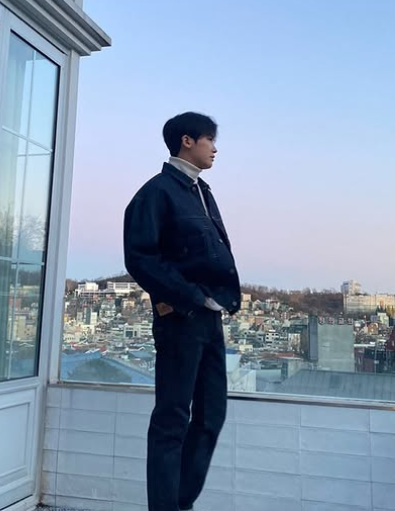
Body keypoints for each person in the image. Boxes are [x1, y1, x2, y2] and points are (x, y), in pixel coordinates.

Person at [123, 112, 241, 511]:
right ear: (187, 141)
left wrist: (220, 299)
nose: (215, 148)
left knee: (211, 415)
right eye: (210, 140)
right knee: (172, 419)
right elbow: (141, 258)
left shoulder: (201, 191)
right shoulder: (157, 192)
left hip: (210, 318)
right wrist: (191, 296)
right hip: (179, 318)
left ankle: (179, 502)